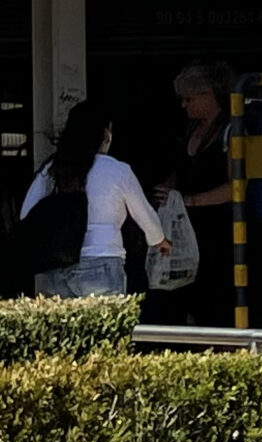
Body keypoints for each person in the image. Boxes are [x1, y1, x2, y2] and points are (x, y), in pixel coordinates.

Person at [19, 101, 166, 298]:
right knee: (104, 327)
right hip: (102, 261)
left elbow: (26, 214)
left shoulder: (53, 168)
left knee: (63, 328)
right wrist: (159, 239)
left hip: (56, 264)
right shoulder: (116, 169)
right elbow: (144, 214)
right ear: (106, 134)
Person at [164, 61, 237, 324]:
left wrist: (190, 201)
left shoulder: (231, 130)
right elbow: (181, 170)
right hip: (188, 233)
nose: (184, 105)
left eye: (189, 98)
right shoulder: (190, 130)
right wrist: (170, 191)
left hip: (220, 233)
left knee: (216, 299)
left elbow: (237, 186)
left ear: (210, 95)